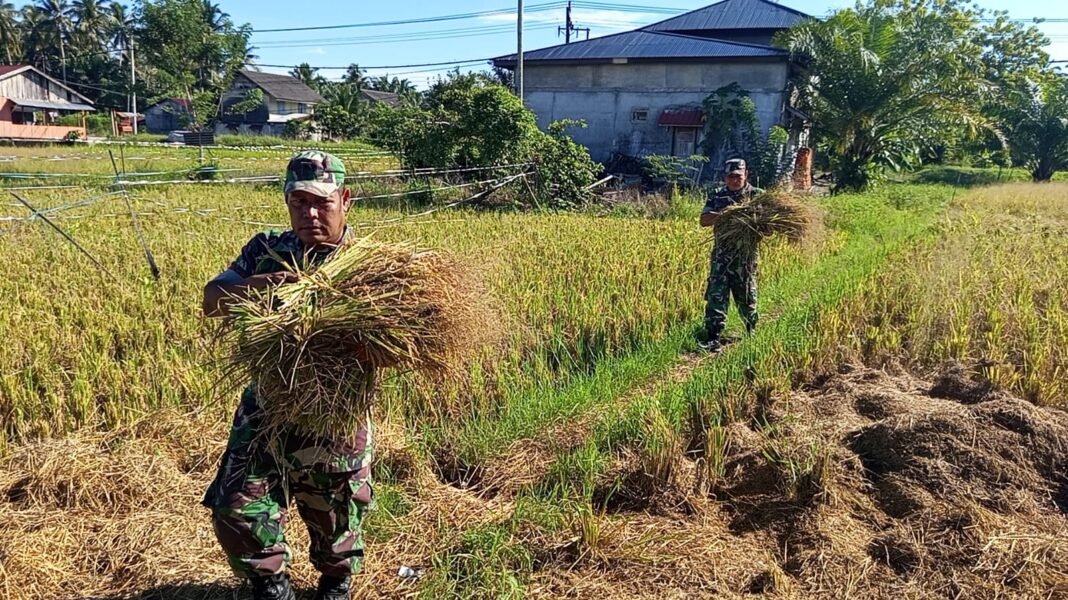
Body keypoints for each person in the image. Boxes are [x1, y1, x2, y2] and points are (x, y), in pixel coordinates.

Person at [201, 151, 371, 600]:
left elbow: (406, 345)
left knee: (335, 517)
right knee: (235, 507)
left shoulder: (371, 266)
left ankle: (335, 585)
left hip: (333, 416)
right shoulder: (267, 251)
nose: (310, 214)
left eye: (322, 202)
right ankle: (271, 584)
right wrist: (259, 288)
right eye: (299, 202)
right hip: (268, 407)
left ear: (345, 199)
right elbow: (212, 300)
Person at [699, 158, 764, 352]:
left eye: (738, 176)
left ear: (746, 175)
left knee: (746, 295)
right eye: (730, 176)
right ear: (725, 177)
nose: (734, 180)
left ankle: (751, 331)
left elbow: (768, 229)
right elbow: (704, 220)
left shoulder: (757, 196)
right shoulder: (718, 196)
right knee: (716, 295)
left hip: (745, 256)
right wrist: (725, 214)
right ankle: (713, 337)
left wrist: (754, 219)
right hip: (721, 256)